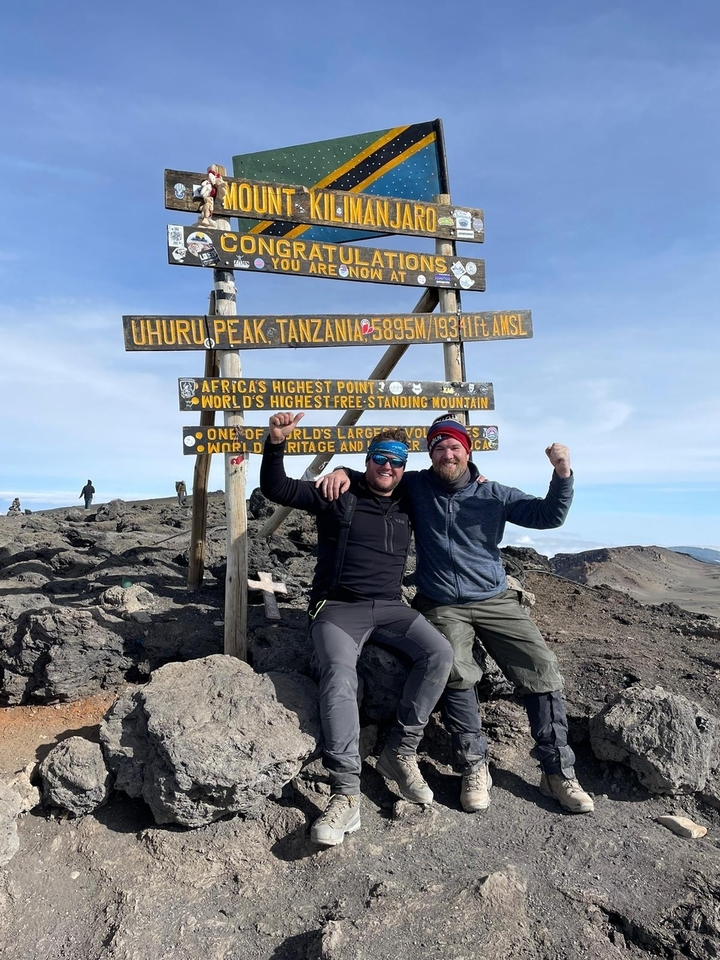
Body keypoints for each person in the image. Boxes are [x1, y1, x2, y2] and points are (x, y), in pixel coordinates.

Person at [319, 414, 594, 816]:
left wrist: (562, 473)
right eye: (438, 447)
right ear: (430, 454)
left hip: (495, 598)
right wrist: (342, 469)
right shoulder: (416, 484)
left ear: (467, 451)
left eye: (454, 446)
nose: (447, 453)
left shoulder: (493, 494)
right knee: (457, 670)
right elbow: (379, 474)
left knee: (542, 667)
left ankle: (558, 772)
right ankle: (474, 765)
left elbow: (548, 516)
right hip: (442, 601)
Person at [260, 412, 453, 847]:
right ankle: (346, 793)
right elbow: (277, 489)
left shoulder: (409, 498)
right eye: (381, 458)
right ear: (368, 460)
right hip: (338, 609)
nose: (389, 466)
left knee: (439, 653)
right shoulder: (338, 494)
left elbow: (449, 475)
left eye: (397, 461)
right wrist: (276, 443)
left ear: (405, 466)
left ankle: (398, 753)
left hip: (390, 608)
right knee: (340, 674)